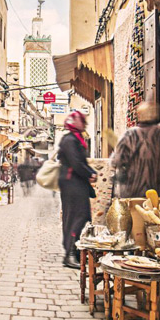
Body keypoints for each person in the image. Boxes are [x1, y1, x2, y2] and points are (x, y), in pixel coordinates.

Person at [58, 111, 97, 269]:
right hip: (71, 183)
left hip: (76, 182)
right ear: (75, 122)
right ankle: (70, 254)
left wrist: (90, 172)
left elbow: (81, 161)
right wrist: (90, 173)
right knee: (77, 216)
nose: (85, 123)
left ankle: (73, 249)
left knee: (82, 215)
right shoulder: (70, 140)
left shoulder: (75, 139)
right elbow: (75, 162)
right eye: (82, 120)